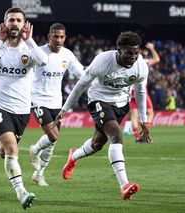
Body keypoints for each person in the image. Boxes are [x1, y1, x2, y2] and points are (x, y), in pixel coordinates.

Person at [54, 31, 152, 200]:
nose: (133, 57)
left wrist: (144, 121)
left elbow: (141, 92)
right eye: (129, 53)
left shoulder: (141, 66)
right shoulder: (103, 61)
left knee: (97, 144)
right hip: (99, 100)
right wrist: (65, 108)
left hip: (122, 104)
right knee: (116, 136)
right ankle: (124, 185)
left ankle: (73, 156)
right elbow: (81, 84)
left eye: (136, 53)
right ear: (119, 50)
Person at [0, 7, 48, 209]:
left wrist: (30, 40)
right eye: (11, 20)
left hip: (22, 110)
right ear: (4, 24)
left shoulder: (30, 49)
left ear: (24, 25)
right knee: (13, 150)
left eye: (18, 20)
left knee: (3, 152)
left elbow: (44, 61)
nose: (15, 23)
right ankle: (22, 193)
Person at [29, 23, 84, 186]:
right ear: (49, 37)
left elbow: (82, 73)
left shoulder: (67, 55)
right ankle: (34, 149)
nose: (58, 40)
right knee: (53, 136)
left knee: (52, 142)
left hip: (56, 102)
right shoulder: (38, 52)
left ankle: (39, 174)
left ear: (65, 37)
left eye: (61, 37)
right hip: (38, 100)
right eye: (55, 36)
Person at [123, 42, 160, 143]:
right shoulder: (143, 62)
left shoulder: (128, 64)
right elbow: (157, 59)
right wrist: (152, 48)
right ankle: (145, 136)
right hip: (141, 91)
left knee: (134, 116)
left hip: (130, 92)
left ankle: (137, 137)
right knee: (150, 112)